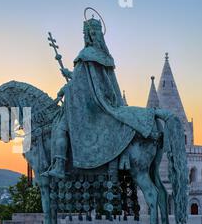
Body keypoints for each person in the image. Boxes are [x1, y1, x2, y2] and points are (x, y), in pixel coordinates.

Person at [43, 17, 156, 178]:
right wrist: (70, 74)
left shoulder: (85, 54)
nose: (84, 36)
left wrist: (64, 89)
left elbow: (80, 86)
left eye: (85, 33)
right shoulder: (104, 56)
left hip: (90, 105)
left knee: (60, 126)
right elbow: (91, 80)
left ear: (88, 35)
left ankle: (60, 166)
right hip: (107, 101)